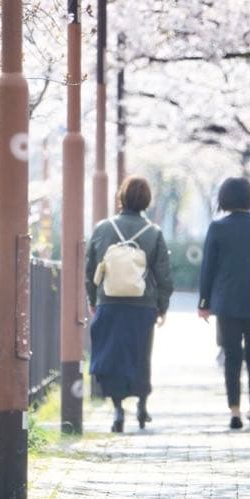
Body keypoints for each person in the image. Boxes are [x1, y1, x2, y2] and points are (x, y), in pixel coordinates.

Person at [86, 175, 174, 433]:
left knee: (113, 356)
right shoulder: (153, 233)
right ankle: (142, 405)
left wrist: (94, 299)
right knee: (140, 355)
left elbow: (90, 268)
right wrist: (162, 306)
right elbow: (164, 276)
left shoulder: (103, 229)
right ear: (147, 200)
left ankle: (117, 410)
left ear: (121, 197)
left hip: (109, 302)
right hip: (142, 304)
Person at [198, 176, 250, 429]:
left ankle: (234, 412)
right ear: (249, 199)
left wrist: (204, 302)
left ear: (223, 199)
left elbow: (207, 268)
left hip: (227, 304)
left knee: (232, 357)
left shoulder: (217, 228)